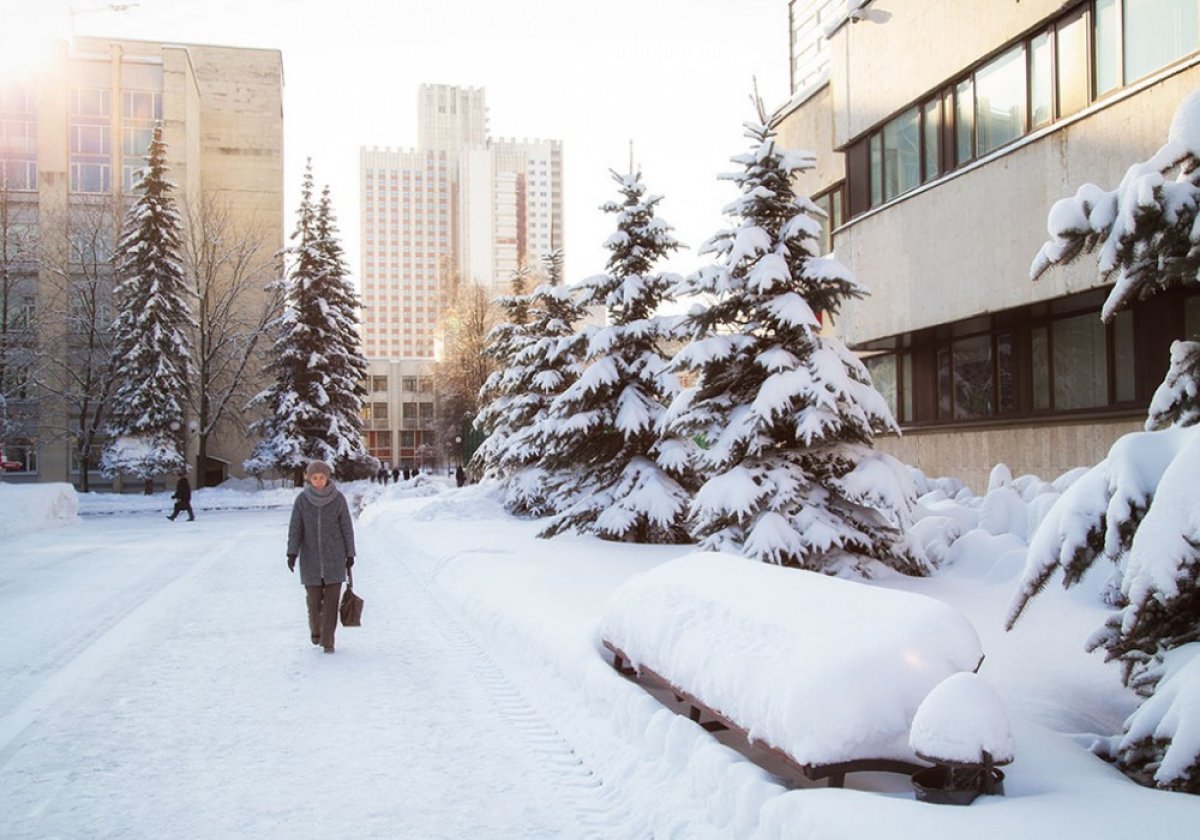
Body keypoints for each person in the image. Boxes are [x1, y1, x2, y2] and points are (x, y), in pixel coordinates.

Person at [287, 460, 356, 654]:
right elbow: (295, 528)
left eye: (322, 477)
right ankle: (316, 630)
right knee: (314, 601)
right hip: (310, 560)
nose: (318, 481)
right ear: (309, 478)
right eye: (314, 478)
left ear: (327, 478)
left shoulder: (338, 499)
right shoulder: (302, 500)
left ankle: (328, 641)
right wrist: (292, 552)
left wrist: (350, 553)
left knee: (332, 603)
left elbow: (346, 528)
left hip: (335, 558)